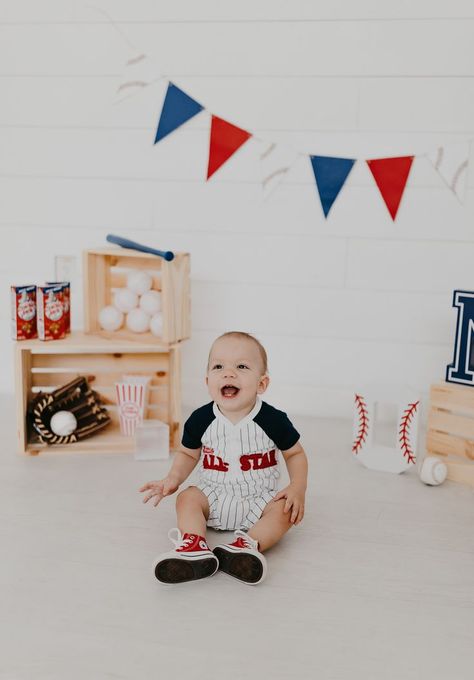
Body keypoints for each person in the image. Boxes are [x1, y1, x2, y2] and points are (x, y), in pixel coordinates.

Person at [139, 331, 308, 585]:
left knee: (284, 511)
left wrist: (297, 487)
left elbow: (295, 453)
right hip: (214, 495)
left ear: (262, 384)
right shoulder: (200, 419)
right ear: (208, 381)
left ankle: (247, 546)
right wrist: (173, 478)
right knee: (187, 498)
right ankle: (194, 545)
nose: (228, 373)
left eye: (241, 366)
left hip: (260, 499)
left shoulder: (273, 420)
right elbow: (188, 453)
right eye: (219, 366)